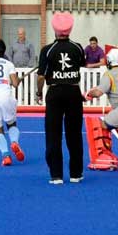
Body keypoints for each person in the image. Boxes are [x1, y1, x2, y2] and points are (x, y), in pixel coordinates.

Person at [37, 12, 85, 185]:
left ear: (54, 28)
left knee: (53, 134)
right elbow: (80, 65)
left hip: (55, 93)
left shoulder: (47, 50)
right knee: (74, 134)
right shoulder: (78, 47)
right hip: (73, 92)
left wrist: (38, 92)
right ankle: (76, 174)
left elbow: (41, 76)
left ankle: (56, 175)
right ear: (70, 28)